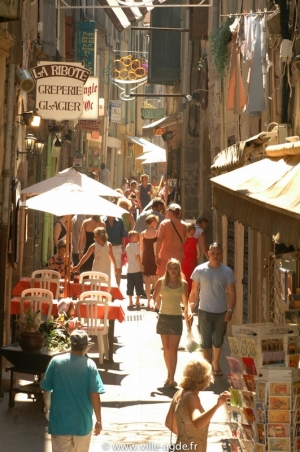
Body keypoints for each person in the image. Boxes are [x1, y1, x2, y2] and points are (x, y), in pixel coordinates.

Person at [41, 329, 105, 452]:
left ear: (70, 344)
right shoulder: (90, 365)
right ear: (86, 346)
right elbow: (94, 395)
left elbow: (46, 389)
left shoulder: (56, 362)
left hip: (59, 423)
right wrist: (99, 420)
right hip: (82, 424)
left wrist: (48, 409)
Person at [188, 243, 236, 376]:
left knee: (218, 340)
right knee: (206, 340)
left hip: (221, 311)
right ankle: (207, 366)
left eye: (218, 253)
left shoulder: (227, 271)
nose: (215, 256)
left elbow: (232, 293)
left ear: (221, 254)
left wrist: (230, 310)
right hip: (204, 310)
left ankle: (215, 361)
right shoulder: (200, 270)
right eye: (213, 253)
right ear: (208, 253)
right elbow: (193, 292)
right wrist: (190, 309)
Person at [165, 360, 230, 452]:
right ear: (205, 379)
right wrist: (217, 405)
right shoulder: (192, 398)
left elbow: (169, 423)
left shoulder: (179, 393)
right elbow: (198, 423)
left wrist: (187, 438)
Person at [153, 258, 191, 387]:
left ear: (179, 270)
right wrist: (154, 303)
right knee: (167, 349)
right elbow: (155, 297)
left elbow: (186, 302)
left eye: (176, 268)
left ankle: (172, 377)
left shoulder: (183, 284)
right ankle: (168, 375)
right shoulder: (161, 282)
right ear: (167, 270)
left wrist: (188, 311)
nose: (173, 271)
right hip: (163, 316)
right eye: (171, 268)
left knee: (173, 350)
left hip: (176, 318)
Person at [155, 203, 187, 277]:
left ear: (170, 212)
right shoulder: (184, 225)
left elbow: (159, 240)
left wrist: (156, 255)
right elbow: (184, 240)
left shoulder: (164, 224)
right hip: (178, 256)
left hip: (165, 256)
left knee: (163, 278)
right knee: (176, 277)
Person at [140, 214, 158, 309]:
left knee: (147, 280)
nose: (156, 223)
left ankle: (148, 301)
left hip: (146, 257)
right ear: (152, 222)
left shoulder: (143, 233)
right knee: (155, 280)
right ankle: (155, 300)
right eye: (155, 221)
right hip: (155, 257)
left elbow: (141, 248)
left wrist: (141, 262)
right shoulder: (157, 233)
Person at [104, 215, 127, 287]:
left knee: (118, 268)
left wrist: (123, 247)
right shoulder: (103, 220)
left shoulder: (120, 221)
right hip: (106, 247)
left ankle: (117, 287)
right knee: (106, 267)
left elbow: (123, 235)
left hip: (117, 246)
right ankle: (107, 286)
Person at [126, 230, 144, 309]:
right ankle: (137, 300)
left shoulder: (128, 246)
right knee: (138, 285)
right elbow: (137, 256)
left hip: (129, 270)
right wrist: (141, 265)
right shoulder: (135, 246)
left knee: (130, 286)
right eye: (137, 237)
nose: (138, 239)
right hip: (136, 269)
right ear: (132, 238)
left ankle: (130, 301)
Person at [182, 223, 200, 295]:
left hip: (183, 261)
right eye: (193, 230)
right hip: (192, 262)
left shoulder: (182, 240)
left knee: (183, 278)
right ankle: (190, 294)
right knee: (191, 278)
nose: (194, 232)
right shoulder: (195, 240)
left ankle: (183, 294)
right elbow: (199, 254)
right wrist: (195, 260)